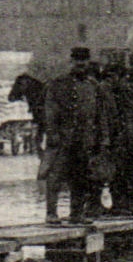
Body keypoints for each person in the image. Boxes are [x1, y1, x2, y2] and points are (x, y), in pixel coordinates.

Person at [42, 47, 107, 224]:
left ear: (88, 62)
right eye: (77, 61)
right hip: (63, 139)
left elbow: (100, 114)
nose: (80, 64)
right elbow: (50, 111)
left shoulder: (93, 86)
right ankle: (51, 213)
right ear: (71, 62)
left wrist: (102, 137)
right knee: (55, 175)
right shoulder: (58, 84)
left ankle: (76, 214)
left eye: (83, 61)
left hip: (85, 139)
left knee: (81, 177)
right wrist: (53, 133)